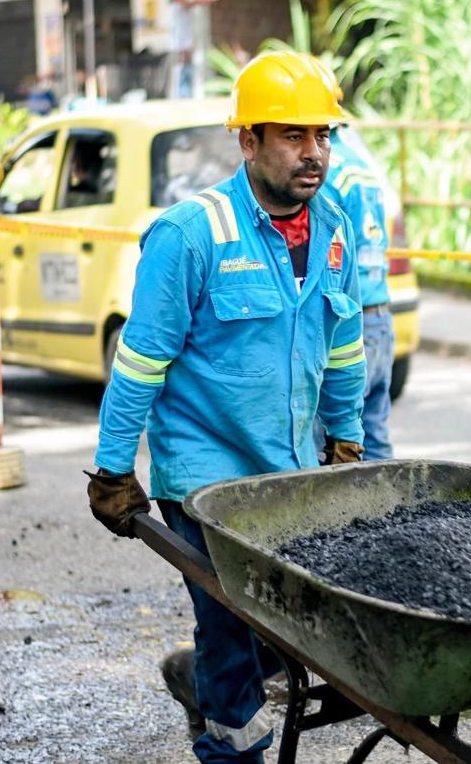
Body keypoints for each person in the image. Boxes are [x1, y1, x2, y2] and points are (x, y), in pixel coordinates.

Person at [86, 50, 367, 762]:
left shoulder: (335, 224)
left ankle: (204, 680)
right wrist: (113, 470)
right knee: (230, 637)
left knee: (287, 632)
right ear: (248, 141)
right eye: (293, 137)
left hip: (290, 477)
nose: (314, 154)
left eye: (323, 137)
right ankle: (231, 743)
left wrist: (347, 438)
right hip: (208, 486)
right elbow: (141, 364)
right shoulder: (191, 234)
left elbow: (343, 347)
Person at [318, 123, 395, 459]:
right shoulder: (361, 165)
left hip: (350, 319)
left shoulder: (326, 171)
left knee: (336, 440)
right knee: (375, 436)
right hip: (381, 315)